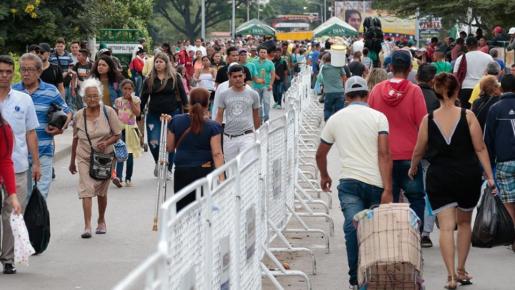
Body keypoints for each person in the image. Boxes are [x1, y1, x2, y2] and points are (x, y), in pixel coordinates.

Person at [409, 73, 495, 289]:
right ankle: (461, 268)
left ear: (437, 91)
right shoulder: (468, 116)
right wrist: (490, 176)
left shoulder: (428, 120)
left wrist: (412, 167)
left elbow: (419, 149)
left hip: (439, 176)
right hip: (467, 175)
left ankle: (450, 276)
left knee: (446, 227)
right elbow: (480, 148)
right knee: (464, 223)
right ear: (457, 91)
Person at [315, 76, 393, 289]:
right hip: (377, 183)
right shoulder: (379, 117)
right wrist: (388, 188)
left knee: (352, 228)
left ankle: (355, 279)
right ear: (367, 95)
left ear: (346, 96)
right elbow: (385, 154)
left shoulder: (336, 119)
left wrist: (325, 175)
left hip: (350, 182)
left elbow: (321, 154)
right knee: (377, 231)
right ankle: (375, 275)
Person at [368, 50, 427, 227]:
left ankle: (391, 235)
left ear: (391, 67)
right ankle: (415, 235)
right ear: (410, 68)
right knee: (416, 198)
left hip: (384, 156)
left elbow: (370, 123)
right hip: (410, 155)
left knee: (388, 198)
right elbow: (423, 124)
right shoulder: (415, 91)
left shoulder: (377, 90)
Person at [0, 55, 40, 274]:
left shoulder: (23, 100)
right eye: (0, 72)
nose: (4, 75)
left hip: (17, 166)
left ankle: (8, 258)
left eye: (8, 71)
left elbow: (30, 132)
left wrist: (36, 164)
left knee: (12, 214)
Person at [13, 53, 72, 199]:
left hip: (44, 150)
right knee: (22, 198)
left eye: (30, 70)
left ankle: (35, 222)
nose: (26, 73)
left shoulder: (50, 91)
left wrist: (61, 128)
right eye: (23, 69)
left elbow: (68, 112)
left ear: (39, 72)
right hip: (18, 154)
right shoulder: (13, 92)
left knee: (39, 196)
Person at [69, 78, 122, 239]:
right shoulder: (79, 115)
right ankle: (87, 226)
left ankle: (101, 220)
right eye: (88, 96)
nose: (92, 99)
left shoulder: (108, 112)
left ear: (99, 96)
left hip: (104, 157)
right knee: (86, 190)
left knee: (101, 192)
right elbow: (75, 139)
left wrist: (106, 142)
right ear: (83, 98)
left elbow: (117, 134)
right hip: (84, 156)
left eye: (94, 96)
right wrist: (72, 161)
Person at [166, 88, 224, 210]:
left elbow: (169, 148)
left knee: (183, 208)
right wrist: (222, 178)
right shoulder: (214, 126)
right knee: (203, 207)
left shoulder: (176, 121)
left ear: (189, 102)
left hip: (182, 169)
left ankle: (182, 229)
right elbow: (217, 153)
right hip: (204, 169)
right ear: (207, 103)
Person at [140, 52, 188, 176]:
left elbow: (183, 95)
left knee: (170, 142)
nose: (158, 64)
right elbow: (143, 97)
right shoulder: (149, 79)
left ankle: (169, 168)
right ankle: (159, 162)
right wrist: (139, 112)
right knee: (153, 141)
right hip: (154, 114)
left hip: (173, 113)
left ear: (166, 63)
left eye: (161, 61)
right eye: (156, 61)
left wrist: (187, 112)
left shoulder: (175, 77)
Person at [484, 74, 515, 252]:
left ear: (501, 88)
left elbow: (487, 139)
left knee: (509, 202)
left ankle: (512, 237)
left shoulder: (495, 109)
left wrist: (487, 167)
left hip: (504, 162)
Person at [215, 64, 260, 161]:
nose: (238, 79)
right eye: (234, 77)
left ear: (244, 75)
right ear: (229, 77)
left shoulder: (253, 94)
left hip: (247, 135)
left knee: (246, 166)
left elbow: (256, 115)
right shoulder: (224, 94)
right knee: (231, 169)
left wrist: (257, 133)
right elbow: (219, 116)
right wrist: (215, 135)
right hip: (228, 137)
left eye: (240, 76)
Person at [416, 63, 439, 247]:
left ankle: (410, 227)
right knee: (428, 193)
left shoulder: (410, 94)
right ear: (433, 80)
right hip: (431, 153)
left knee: (410, 193)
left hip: (409, 149)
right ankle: (425, 232)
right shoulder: (436, 99)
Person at [113, 79, 142, 187]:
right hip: (121, 130)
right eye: (125, 88)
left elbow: (137, 113)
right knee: (120, 153)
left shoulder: (136, 100)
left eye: (130, 89)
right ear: (121, 89)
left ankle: (128, 177)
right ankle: (119, 178)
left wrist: (130, 101)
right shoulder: (117, 101)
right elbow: (115, 116)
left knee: (129, 154)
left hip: (131, 129)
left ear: (133, 90)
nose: (127, 91)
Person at [453, 36, 494, 109]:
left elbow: (455, 75)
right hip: (482, 88)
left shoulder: (461, 58)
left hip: (466, 88)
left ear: (466, 46)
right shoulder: (488, 57)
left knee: (465, 113)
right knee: (481, 113)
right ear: (478, 44)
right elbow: (493, 73)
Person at [319, 52, 349, 121]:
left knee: (328, 109)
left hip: (328, 92)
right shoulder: (339, 66)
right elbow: (345, 78)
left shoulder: (323, 67)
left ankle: (328, 122)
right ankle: (338, 123)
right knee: (339, 110)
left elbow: (320, 63)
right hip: (340, 91)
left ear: (324, 59)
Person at [252, 46, 276, 122]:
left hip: (266, 85)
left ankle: (266, 118)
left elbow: (273, 74)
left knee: (266, 102)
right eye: (261, 52)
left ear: (266, 54)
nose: (262, 54)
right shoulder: (253, 62)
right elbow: (252, 74)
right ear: (258, 53)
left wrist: (271, 84)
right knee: (258, 103)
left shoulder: (270, 63)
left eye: (264, 52)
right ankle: (259, 119)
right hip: (256, 86)